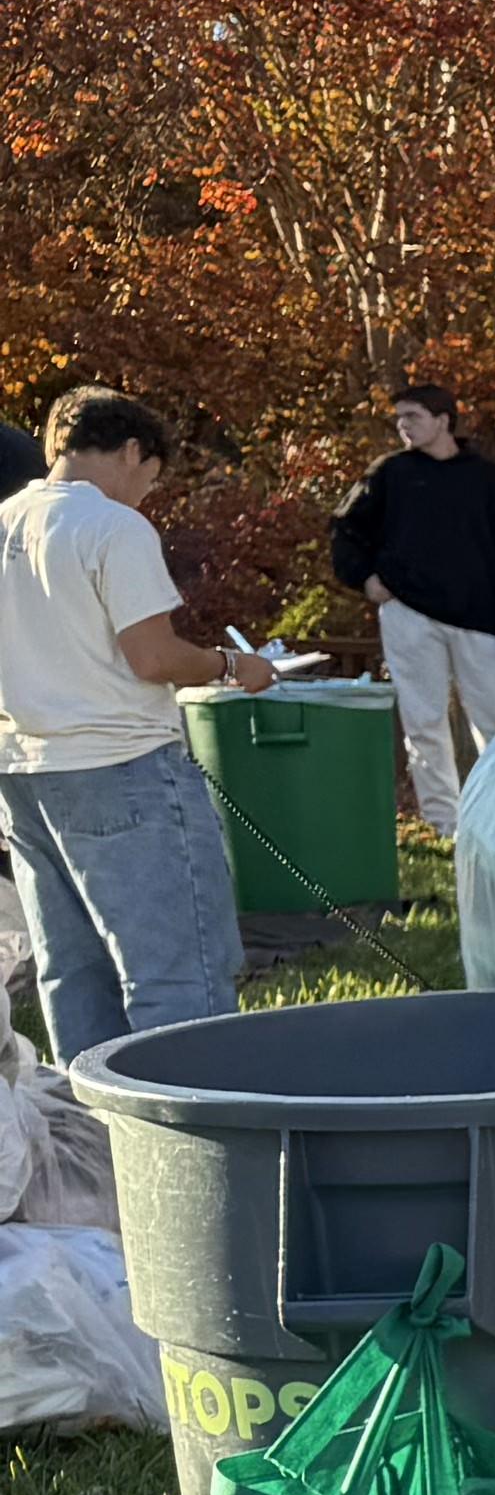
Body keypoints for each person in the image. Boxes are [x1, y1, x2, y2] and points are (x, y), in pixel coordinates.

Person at [0, 389, 275, 1063]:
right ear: (132, 451)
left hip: (24, 773)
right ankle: (194, 1118)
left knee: (73, 973)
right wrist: (230, 664)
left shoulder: (6, 520)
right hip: (121, 766)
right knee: (178, 972)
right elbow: (152, 658)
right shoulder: (113, 527)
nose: (145, 496)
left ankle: (97, 1121)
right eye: (150, 478)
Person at [331, 381, 495, 837]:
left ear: (444, 420)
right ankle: (448, 826)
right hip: (409, 613)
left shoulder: (484, 478)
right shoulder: (389, 473)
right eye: (399, 418)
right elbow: (345, 526)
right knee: (424, 722)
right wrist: (364, 578)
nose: (403, 426)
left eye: (414, 416)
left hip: (479, 617)